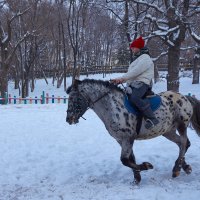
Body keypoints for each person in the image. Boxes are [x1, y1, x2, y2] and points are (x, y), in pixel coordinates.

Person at [111, 36, 159, 129]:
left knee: (134, 98)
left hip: (142, 83)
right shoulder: (138, 58)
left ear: (139, 47)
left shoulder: (145, 58)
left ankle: (152, 118)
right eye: (131, 48)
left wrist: (122, 79)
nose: (132, 49)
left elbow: (135, 72)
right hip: (134, 84)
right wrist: (121, 80)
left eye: (133, 47)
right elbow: (131, 73)